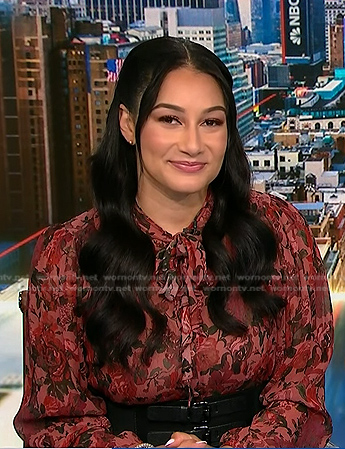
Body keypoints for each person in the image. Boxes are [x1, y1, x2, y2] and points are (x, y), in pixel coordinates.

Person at [14, 37, 333, 448]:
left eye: (211, 122)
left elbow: (302, 389)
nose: (194, 145)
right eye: (170, 120)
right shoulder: (67, 253)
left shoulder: (282, 230)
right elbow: (55, 419)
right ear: (128, 124)